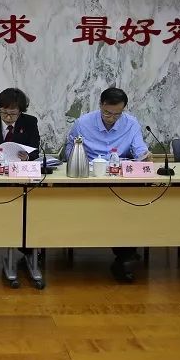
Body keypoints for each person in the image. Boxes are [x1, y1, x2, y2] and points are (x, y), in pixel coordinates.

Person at [65, 87, 151, 283]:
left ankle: (125, 254)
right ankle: (125, 255)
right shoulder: (83, 123)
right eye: (107, 113)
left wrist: (144, 156)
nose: (112, 118)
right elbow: (69, 151)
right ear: (100, 105)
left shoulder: (131, 123)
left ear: (123, 109)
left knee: (129, 206)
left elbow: (139, 149)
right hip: (89, 180)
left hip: (119, 180)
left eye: (117, 114)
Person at [0, 87, 40, 161]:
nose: (8, 117)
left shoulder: (30, 122)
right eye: (4, 112)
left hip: (20, 166)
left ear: (20, 112)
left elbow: (35, 151)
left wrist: (27, 157)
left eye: (13, 114)